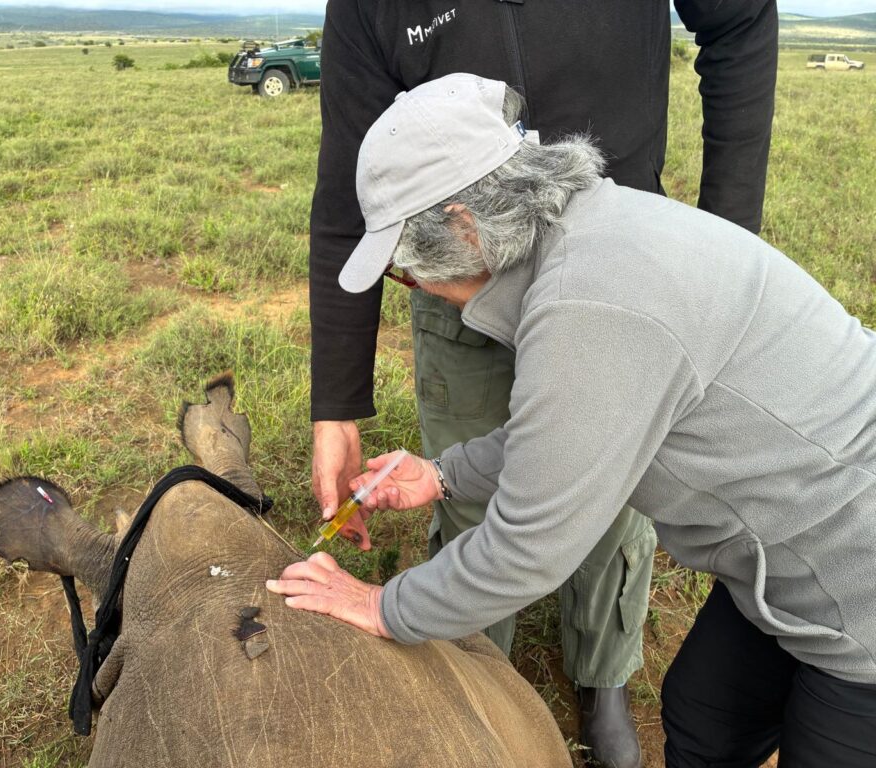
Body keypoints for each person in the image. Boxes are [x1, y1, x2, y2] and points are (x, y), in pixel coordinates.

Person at [272, 74, 876, 767]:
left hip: (854, 573)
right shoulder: (590, 233)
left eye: (408, 270)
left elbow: (526, 551)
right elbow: (575, 433)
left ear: (465, 223)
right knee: (703, 715)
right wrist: (442, 475)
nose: (420, 289)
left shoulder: (587, 307)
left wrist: (379, 606)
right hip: (785, 552)